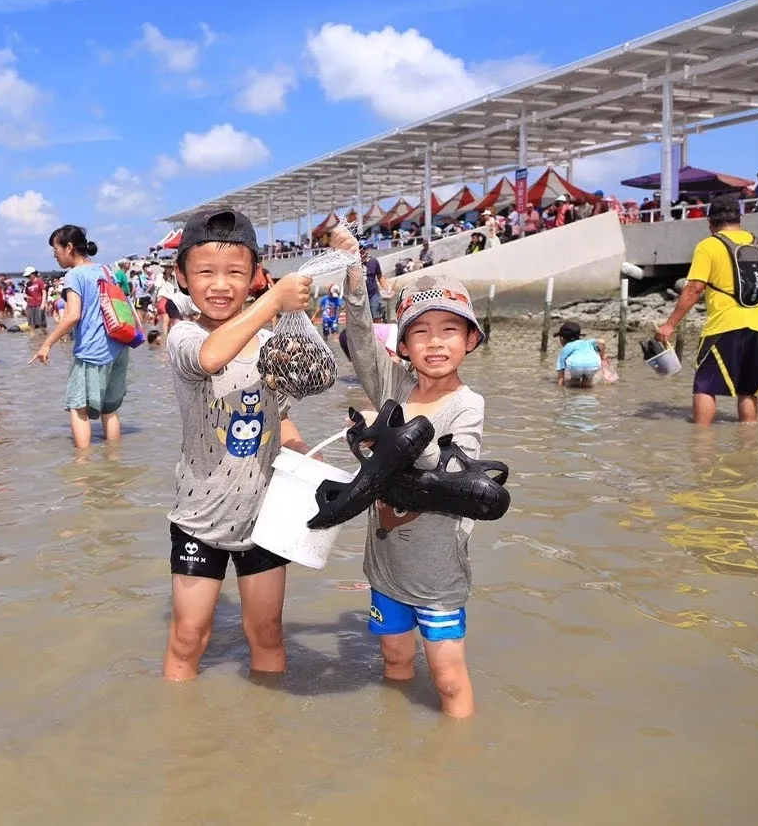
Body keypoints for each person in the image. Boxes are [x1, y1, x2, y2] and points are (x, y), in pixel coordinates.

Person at [333, 223, 484, 719]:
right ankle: (396, 748)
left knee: (447, 677)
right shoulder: (393, 387)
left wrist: (390, 443)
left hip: (437, 570)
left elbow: (451, 473)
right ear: (402, 344)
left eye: (449, 330)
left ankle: (458, 764)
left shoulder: (468, 404)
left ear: (470, 340)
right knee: (395, 661)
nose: (434, 342)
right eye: (420, 331)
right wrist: (355, 272)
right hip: (386, 565)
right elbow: (359, 338)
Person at [161, 207, 314, 682]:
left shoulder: (270, 343)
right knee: (189, 635)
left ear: (254, 276)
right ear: (182, 278)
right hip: (198, 518)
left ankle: (266, 740)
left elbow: (279, 416)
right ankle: (181, 740)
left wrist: (301, 447)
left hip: (264, 518)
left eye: (235, 273)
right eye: (205, 272)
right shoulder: (183, 336)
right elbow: (211, 358)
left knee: (266, 631)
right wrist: (270, 303)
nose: (220, 284)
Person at [655, 196, 758, 425]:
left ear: (709, 221)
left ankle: (701, 444)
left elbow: (694, 288)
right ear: (740, 218)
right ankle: (748, 443)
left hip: (724, 326)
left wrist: (670, 324)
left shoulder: (709, 245)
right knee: (749, 389)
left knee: (705, 385)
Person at [31, 225, 130, 450]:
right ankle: (114, 461)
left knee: (78, 408)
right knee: (109, 409)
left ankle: (83, 467)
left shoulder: (74, 275)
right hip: (118, 346)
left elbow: (72, 316)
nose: (54, 255)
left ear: (69, 247)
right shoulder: (106, 270)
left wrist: (47, 343)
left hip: (93, 351)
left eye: (55, 249)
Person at [553, 321, 607, 388]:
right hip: (593, 364)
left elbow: (561, 372)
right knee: (587, 381)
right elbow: (602, 341)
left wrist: (560, 388)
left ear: (561, 338)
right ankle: (586, 386)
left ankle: (574, 386)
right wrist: (602, 356)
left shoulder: (566, 348)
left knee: (574, 381)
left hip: (576, 365)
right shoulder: (588, 342)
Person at [362, 247, 387, 321]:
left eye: (364, 249)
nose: (362, 252)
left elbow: (380, 276)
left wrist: (385, 287)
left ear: (367, 250)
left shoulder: (374, 261)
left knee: (376, 315)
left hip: (373, 293)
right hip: (361, 295)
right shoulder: (354, 264)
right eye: (360, 249)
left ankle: (378, 330)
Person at [23, 267, 48, 334]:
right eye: (27, 276)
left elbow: (44, 292)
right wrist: (26, 298)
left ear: (33, 274)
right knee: (31, 324)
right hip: (30, 305)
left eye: (29, 275)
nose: (28, 277)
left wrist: (43, 303)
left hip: (38, 304)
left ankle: (47, 335)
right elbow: (27, 294)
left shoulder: (39, 281)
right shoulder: (28, 284)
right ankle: (32, 341)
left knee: (40, 324)